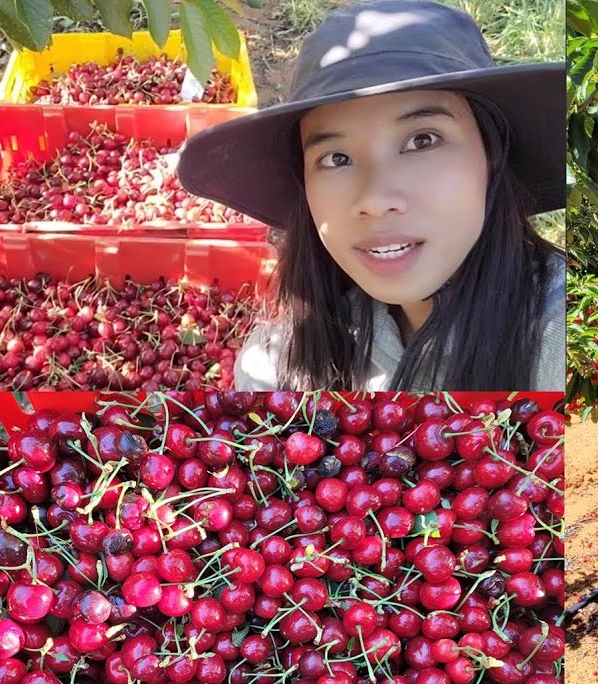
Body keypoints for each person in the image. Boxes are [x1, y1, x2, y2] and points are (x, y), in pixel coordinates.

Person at [177, 0, 565, 391]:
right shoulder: (280, 364)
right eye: (337, 158)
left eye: (422, 140)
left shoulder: (562, 338)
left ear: (491, 156)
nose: (375, 200)